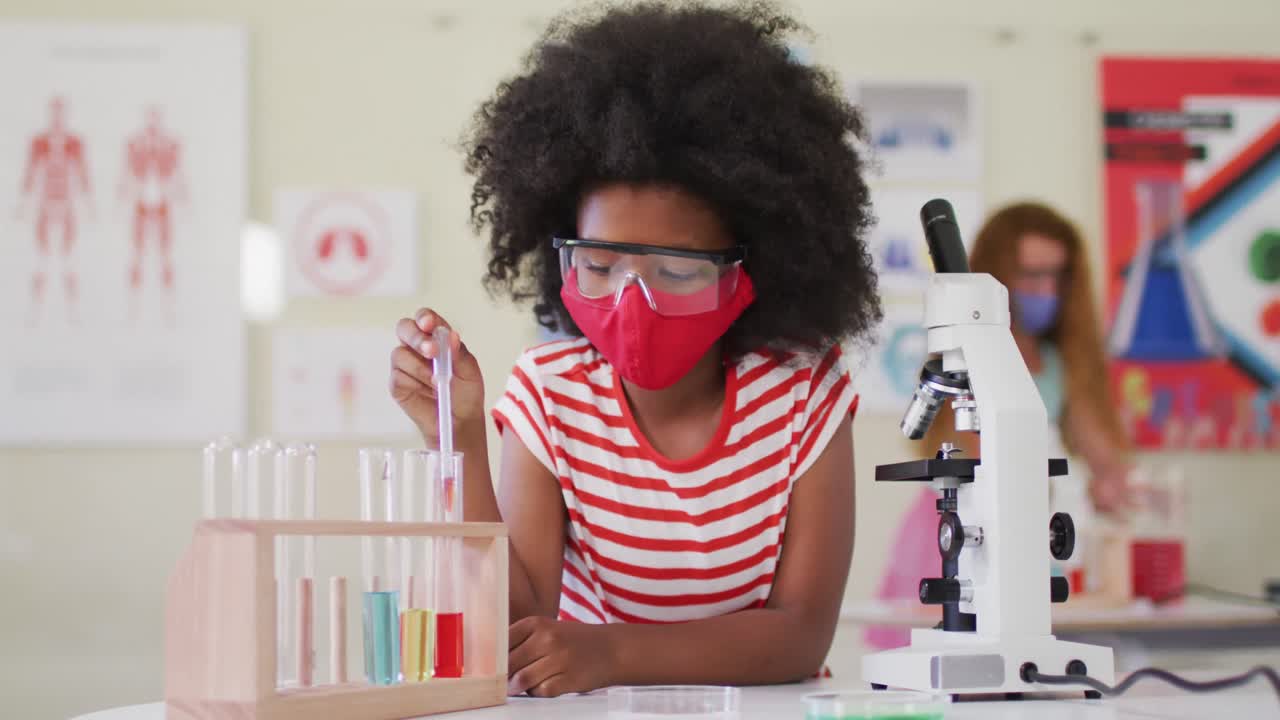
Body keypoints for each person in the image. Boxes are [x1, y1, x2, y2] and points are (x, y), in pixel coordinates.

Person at [390, 1, 882, 697]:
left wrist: (611, 653)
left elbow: (799, 635)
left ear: (748, 271)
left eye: (678, 273)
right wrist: (458, 433)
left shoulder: (801, 391)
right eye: (598, 266)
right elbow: (524, 627)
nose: (633, 299)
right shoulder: (550, 393)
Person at [866, 201, 1133, 649]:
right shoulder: (965, 358)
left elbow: (1106, 459)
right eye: (1031, 275)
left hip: (1025, 527)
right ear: (996, 277)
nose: (1043, 289)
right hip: (952, 535)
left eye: (1055, 276)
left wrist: (1114, 488)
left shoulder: (1058, 366)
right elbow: (948, 447)